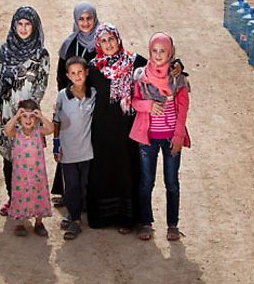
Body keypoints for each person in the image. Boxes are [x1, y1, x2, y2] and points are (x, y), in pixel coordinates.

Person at [86, 23, 147, 233]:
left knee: (127, 170)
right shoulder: (93, 67)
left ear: (118, 39)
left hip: (128, 130)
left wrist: (179, 70)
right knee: (103, 170)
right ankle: (103, 217)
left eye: (111, 39)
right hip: (102, 130)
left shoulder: (135, 62)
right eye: (103, 41)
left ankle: (127, 219)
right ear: (98, 44)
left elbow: (158, 70)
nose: (108, 44)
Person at [130, 32, 190, 242]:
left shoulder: (178, 77)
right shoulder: (140, 75)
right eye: (154, 51)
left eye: (162, 51)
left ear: (170, 52)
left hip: (171, 138)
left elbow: (183, 109)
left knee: (172, 182)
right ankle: (146, 223)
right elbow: (134, 101)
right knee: (146, 182)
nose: (158, 55)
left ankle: (172, 225)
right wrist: (148, 105)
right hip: (148, 138)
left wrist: (179, 135)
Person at [0, 6, 50, 218]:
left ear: (34, 27)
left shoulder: (40, 54)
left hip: (28, 116)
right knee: (9, 158)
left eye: (28, 25)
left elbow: (41, 85)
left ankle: (32, 205)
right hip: (7, 112)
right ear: (14, 25)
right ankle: (13, 199)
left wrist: (28, 111)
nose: (24, 29)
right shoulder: (5, 51)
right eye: (20, 24)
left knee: (29, 160)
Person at [50, 2, 99, 203]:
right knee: (69, 145)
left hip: (95, 102)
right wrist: (64, 98)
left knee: (91, 149)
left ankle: (90, 196)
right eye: (81, 19)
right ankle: (68, 193)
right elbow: (61, 75)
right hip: (73, 100)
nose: (85, 23)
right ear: (75, 20)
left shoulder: (102, 41)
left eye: (89, 18)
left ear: (95, 19)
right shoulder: (69, 44)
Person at [53, 56, 96, 240]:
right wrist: (56, 145)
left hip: (87, 151)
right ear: (67, 76)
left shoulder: (93, 94)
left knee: (84, 184)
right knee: (71, 186)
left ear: (86, 73)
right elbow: (56, 121)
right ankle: (75, 220)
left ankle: (76, 213)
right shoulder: (62, 96)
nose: (77, 76)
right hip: (68, 152)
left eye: (80, 72)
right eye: (73, 73)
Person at [4, 98, 54, 236]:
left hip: (37, 174)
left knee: (38, 195)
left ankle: (39, 222)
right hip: (21, 175)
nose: (28, 120)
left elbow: (51, 129)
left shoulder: (38, 131)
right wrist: (16, 116)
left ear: (36, 117)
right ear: (20, 118)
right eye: (24, 116)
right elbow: (7, 130)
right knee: (21, 196)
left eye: (32, 116)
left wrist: (41, 116)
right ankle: (20, 222)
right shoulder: (17, 132)